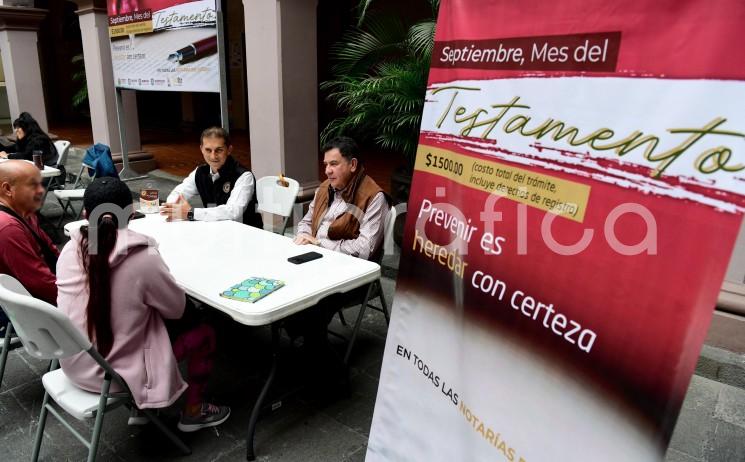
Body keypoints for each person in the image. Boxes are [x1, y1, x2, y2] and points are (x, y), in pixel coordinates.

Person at [57, 177, 230, 432]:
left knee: (135, 315)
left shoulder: (69, 251)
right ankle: (193, 411)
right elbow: (177, 309)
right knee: (204, 333)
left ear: (85, 214)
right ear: (131, 214)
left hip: (73, 364)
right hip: (114, 376)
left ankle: (142, 408)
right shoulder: (141, 257)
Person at [290, 136, 390, 388]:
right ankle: (305, 337)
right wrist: (304, 235)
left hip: (349, 274)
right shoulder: (325, 188)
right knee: (285, 287)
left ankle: (330, 373)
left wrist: (320, 244)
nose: (327, 171)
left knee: (314, 305)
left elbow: (364, 250)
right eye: (326, 165)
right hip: (315, 261)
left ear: (353, 164)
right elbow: (306, 221)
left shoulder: (373, 196)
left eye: (334, 164)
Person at [160, 127, 261, 227]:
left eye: (219, 150)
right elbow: (177, 193)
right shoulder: (199, 172)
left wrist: (191, 213)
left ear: (229, 150)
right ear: (201, 149)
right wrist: (174, 208)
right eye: (208, 150)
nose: (213, 156)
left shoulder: (243, 176)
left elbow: (233, 211)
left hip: (245, 233)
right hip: (215, 230)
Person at [0, 160, 58, 306]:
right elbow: (39, 282)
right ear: (7, 189)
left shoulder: (25, 211)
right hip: (32, 305)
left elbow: (51, 250)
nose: (41, 190)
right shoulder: (8, 227)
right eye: (33, 185)